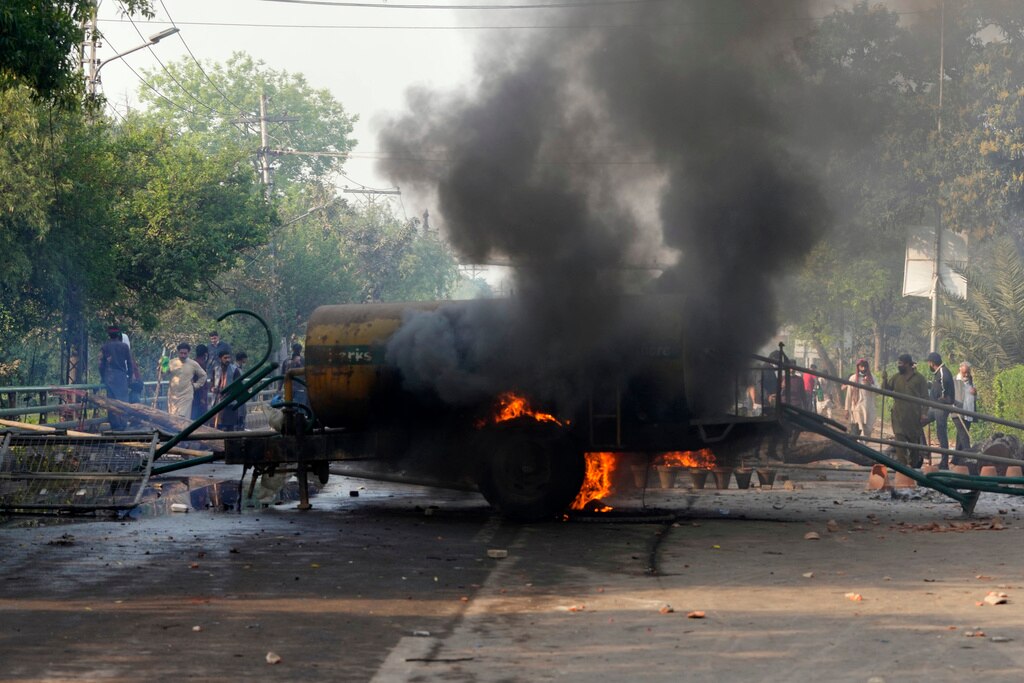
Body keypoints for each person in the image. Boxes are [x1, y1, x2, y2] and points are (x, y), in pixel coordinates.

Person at [882, 353, 929, 468]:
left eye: (901, 364)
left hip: (913, 416)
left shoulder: (919, 378)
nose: (899, 366)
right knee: (899, 442)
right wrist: (884, 379)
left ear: (908, 364)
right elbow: (886, 390)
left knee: (914, 444)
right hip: (898, 415)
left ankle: (913, 466)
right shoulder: (896, 377)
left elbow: (925, 397)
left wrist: (924, 413)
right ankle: (902, 467)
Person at [98, 325, 138, 430]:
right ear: (118, 334)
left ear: (109, 335)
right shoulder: (124, 347)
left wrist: (103, 377)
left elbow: (101, 365)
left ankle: (115, 426)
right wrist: (129, 378)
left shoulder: (105, 347)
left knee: (111, 403)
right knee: (123, 402)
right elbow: (129, 363)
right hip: (122, 378)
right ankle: (123, 425)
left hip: (110, 378)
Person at [924, 351, 956, 468]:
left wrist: (943, 399)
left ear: (932, 363)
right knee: (919, 423)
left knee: (941, 433)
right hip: (934, 407)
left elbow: (944, 389)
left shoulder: (943, 372)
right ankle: (924, 452)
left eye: (929, 363)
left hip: (940, 408)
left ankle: (944, 462)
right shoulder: (938, 373)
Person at [166, 342, 208, 419]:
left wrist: (196, 385)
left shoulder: (193, 364)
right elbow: (163, 374)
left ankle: (184, 431)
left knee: (182, 417)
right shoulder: (172, 362)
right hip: (173, 395)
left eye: (185, 353)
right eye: (181, 353)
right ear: (178, 352)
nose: (183, 355)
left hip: (186, 395)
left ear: (188, 352)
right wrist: (161, 368)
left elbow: (204, 375)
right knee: (172, 418)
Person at [209, 346, 242, 430]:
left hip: (230, 401)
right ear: (220, 358)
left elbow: (238, 386)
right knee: (216, 426)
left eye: (229, 358)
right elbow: (212, 383)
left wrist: (227, 391)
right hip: (217, 400)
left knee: (229, 426)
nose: (227, 360)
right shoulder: (216, 369)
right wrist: (213, 388)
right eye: (225, 358)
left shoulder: (235, 370)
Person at [845, 359, 877, 439]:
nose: (863, 368)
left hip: (869, 407)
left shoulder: (872, 377)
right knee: (858, 429)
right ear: (858, 367)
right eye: (861, 366)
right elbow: (849, 394)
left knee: (868, 430)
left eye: (865, 366)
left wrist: (869, 384)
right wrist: (846, 409)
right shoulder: (853, 378)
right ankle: (857, 448)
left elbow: (878, 390)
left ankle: (862, 446)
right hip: (857, 407)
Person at [953, 361, 977, 459]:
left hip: (969, 411)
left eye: (968, 372)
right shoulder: (954, 380)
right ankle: (969, 457)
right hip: (957, 412)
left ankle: (956, 459)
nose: (966, 375)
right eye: (964, 372)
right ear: (960, 370)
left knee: (961, 435)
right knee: (964, 435)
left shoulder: (971, 380)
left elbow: (975, 397)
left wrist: (975, 393)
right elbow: (950, 395)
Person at [191, 343, 210, 420]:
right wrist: (202, 397)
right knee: (199, 416)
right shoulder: (201, 363)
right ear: (205, 354)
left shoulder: (193, 362)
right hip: (199, 394)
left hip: (192, 392)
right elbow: (202, 382)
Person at [235, 351, 249, 429]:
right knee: (240, 412)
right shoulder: (235, 369)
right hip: (238, 394)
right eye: (245, 359)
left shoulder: (240, 368)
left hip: (242, 393)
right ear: (242, 359)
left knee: (242, 412)